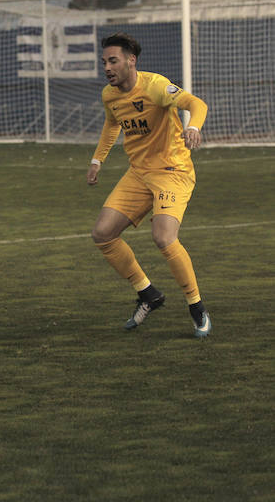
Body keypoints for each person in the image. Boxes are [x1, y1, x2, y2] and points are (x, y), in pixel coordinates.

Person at [87, 32, 210, 338]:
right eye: (104, 62)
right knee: (103, 234)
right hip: (139, 173)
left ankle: (197, 307)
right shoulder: (110, 95)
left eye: (113, 60)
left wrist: (193, 125)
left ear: (131, 61)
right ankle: (148, 293)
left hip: (173, 170)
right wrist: (97, 160)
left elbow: (195, 103)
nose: (107, 67)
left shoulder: (155, 86)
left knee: (164, 237)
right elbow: (112, 124)